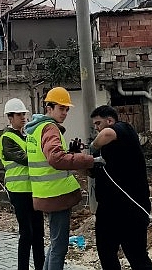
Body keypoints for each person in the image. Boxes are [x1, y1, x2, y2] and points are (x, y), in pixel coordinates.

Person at [25, 87, 97, 270]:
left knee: (55, 244)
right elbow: (55, 158)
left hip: (44, 194)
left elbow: (46, 156)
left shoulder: (35, 128)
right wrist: (89, 160)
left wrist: (71, 153)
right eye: (61, 108)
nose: (65, 113)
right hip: (56, 194)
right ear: (49, 108)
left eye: (67, 109)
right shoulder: (50, 128)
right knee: (59, 247)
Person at [90, 105, 152, 270]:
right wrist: (78, 158)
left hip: (131, 209)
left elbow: (106, 134)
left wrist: (92, 146)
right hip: (107, 211)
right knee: (106, 255)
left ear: (110, 120)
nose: (96, 128)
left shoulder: (124, 130)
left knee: (137, 257)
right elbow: (89, 172)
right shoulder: (103, 150)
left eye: (98, 123)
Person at [0, 98, 45, 270]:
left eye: (24, 114)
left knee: (39, 233)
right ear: (10, 117)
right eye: (19, 114)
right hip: (18, 191)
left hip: (34, 190)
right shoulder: (7, 139)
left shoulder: (26, 136)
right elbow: (25, 159)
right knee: (27, 233)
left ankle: (41, 266)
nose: (23, 117)